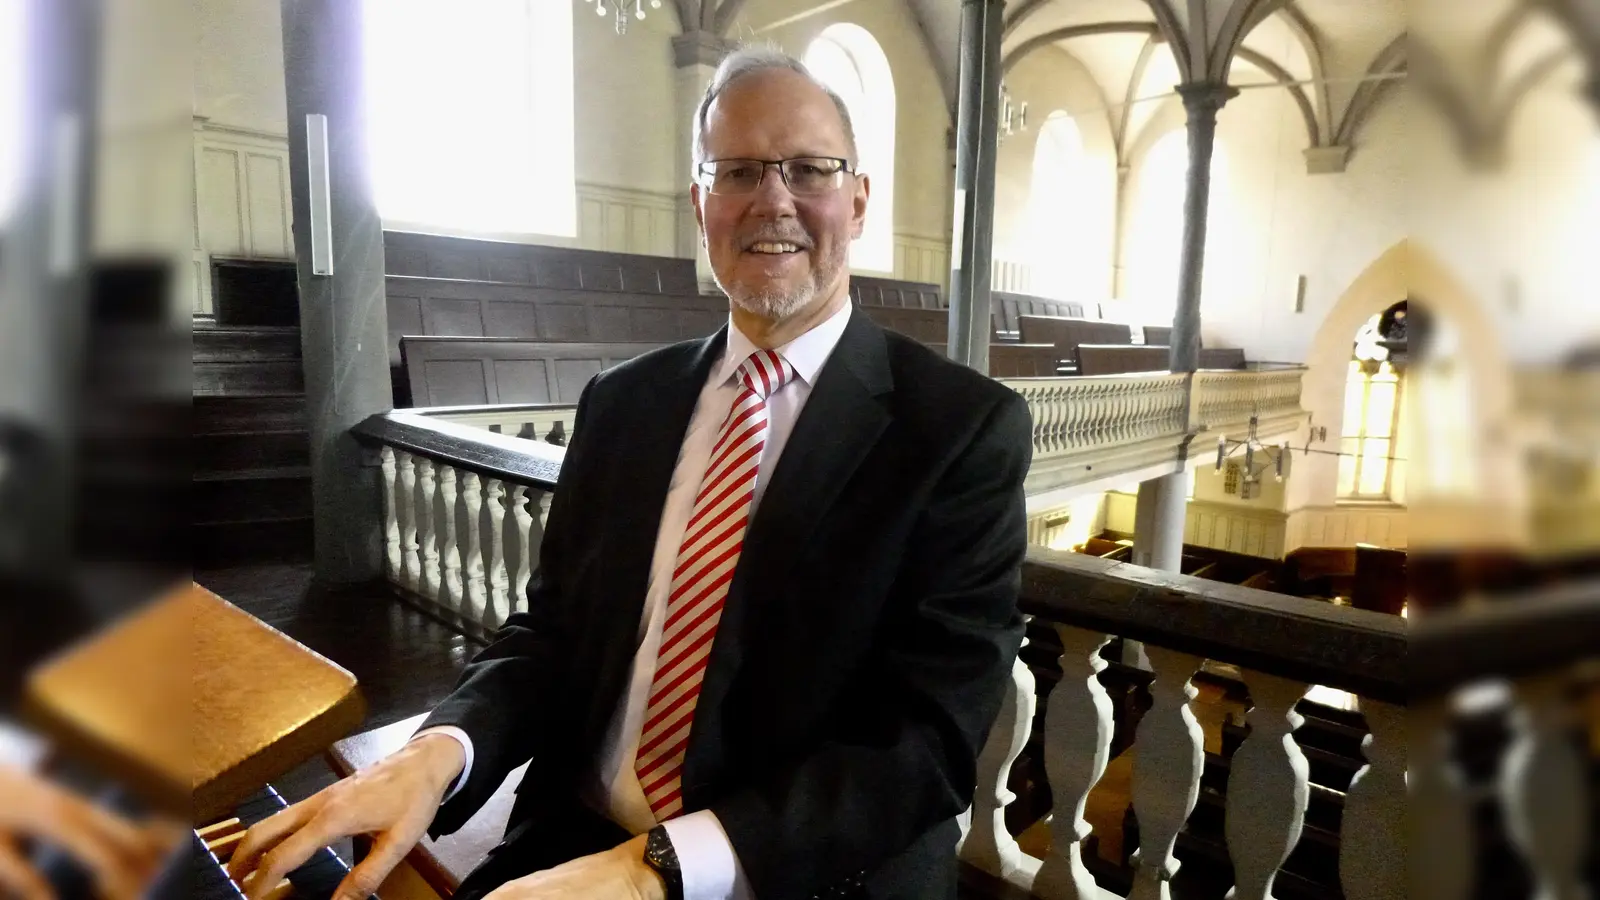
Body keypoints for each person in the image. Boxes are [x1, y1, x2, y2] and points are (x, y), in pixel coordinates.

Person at [228, 47, 1032, 900]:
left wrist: (655, 872)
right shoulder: (626, 401)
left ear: (859, 200)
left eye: (809, 168)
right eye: (739, 171)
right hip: (572, 843)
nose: (774, 199)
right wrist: (441, 752)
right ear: (700, 204)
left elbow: (924, 744)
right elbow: (554, 633)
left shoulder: (957, 429)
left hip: (796, 871)